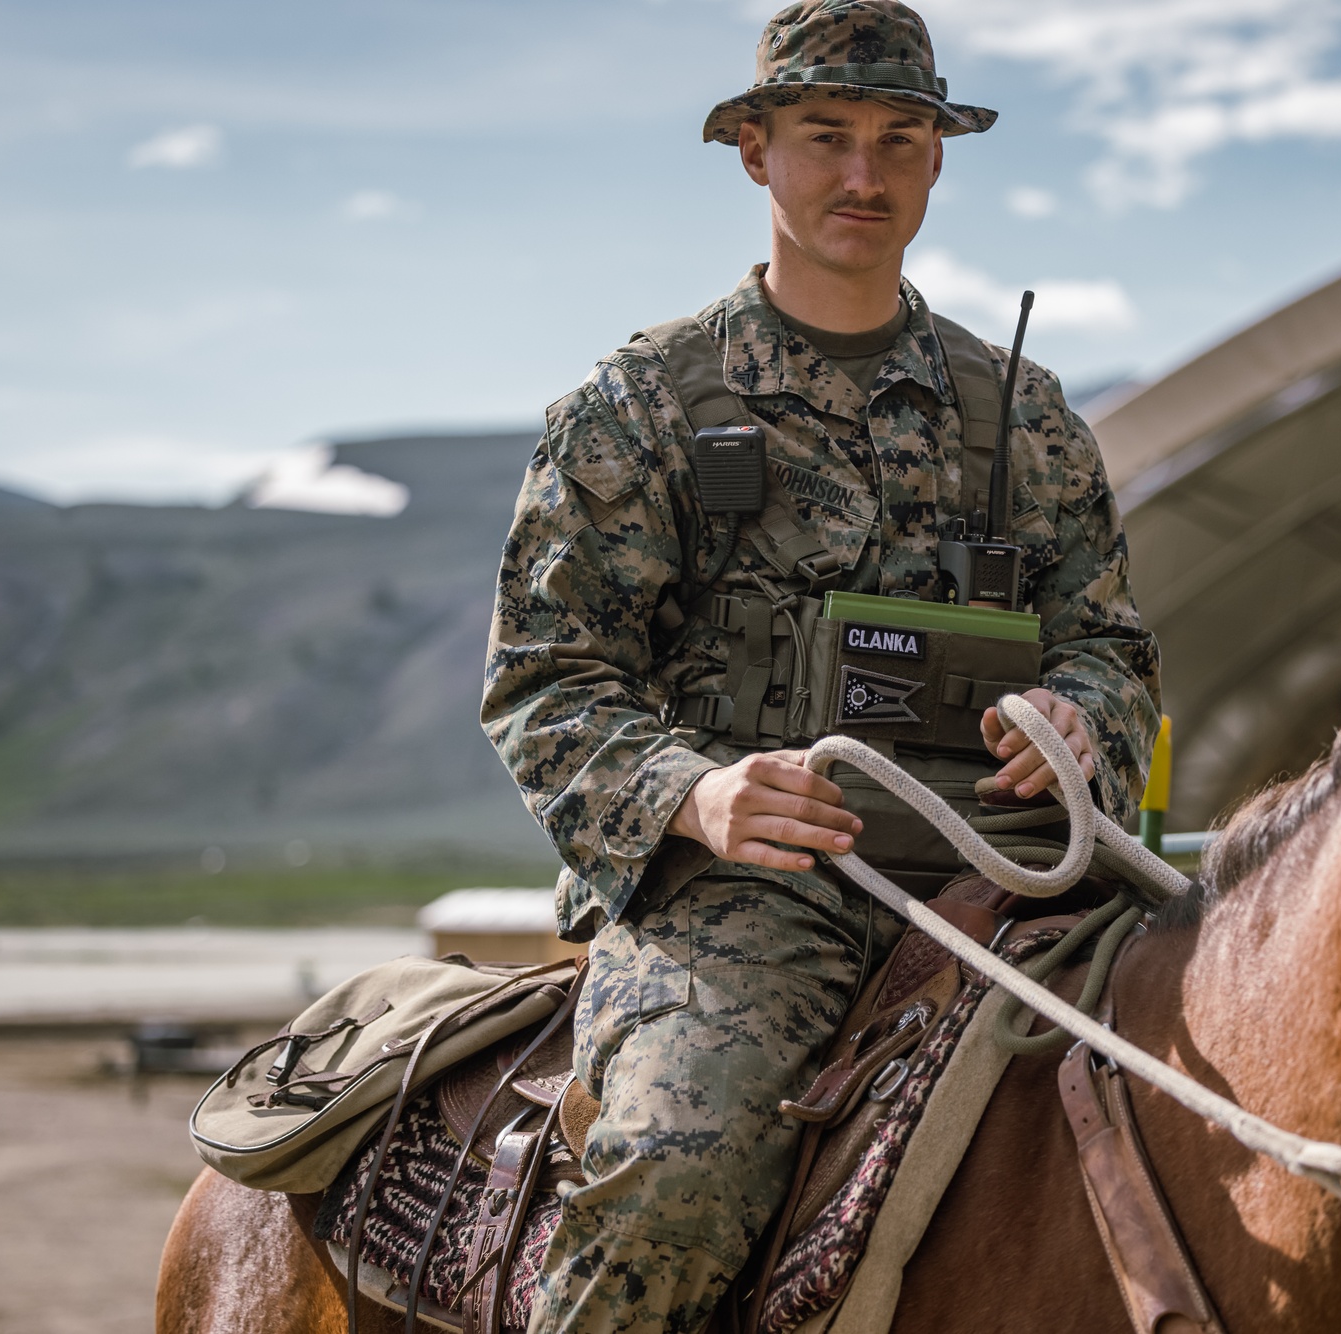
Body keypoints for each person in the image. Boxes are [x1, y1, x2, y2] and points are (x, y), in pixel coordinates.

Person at [481, 2, 1161, 1328]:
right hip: (748, 891)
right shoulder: (643, 408)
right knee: (675, 1175)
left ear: (937, 159)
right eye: (826, 136)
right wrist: (698, 793)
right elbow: (547, 678)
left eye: (899, 139)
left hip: (1010, 873)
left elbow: (1111, 640)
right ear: (754, 153)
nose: (865, 175)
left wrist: (1084, 714)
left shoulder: (1020, 418)